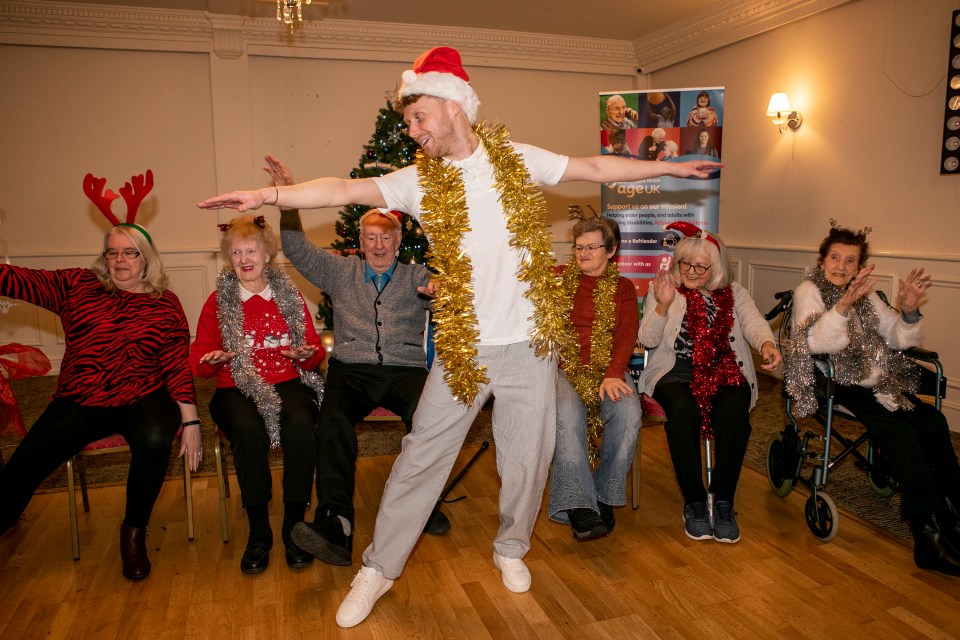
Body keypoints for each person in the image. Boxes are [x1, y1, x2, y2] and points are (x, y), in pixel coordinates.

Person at [198, 45, 721, 628]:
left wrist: (669, 167)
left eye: (419, 117)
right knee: (421, 458)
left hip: (529, 347)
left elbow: (595, 168)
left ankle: (510, 549)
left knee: (527, 462)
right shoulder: (418, 184)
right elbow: (343, 191)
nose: (414, 130)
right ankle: (377, 569)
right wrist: (269, 197)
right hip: (465, 349)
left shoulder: (517, 160)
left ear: (452, 105)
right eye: (408, 122)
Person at [0, 171, 202, 580]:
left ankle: (133, 532)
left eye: (130, 253)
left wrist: (191, 420)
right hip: (79, 398)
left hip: (144, 395)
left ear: (146, 257)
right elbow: (17, 279)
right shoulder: (77, 285)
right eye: (112, 253)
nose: (120, 261)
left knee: (153, 437)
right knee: (26, 463)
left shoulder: (165, 304)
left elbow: (176, 364)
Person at [256, 156, 450, 570]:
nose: (378, 247)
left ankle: (423, 503)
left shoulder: (419, 277)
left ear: (398, 243)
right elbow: (295, 248)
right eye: (370, 239)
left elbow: (458, 287)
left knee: (428, 415)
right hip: (352, 369)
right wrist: (287, 198)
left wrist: (444, 291)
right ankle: (335, 523)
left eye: (386, 239)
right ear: (360, 242)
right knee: (333, 421)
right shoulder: (340, 271)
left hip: (405, 370)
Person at [784, 220, 960, 575]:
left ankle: (952, 516)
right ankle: (928, 537)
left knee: (933, 421)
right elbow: (815, 344)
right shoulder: (808, 290)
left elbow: (895, 338)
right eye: (835, 258)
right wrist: (842, 308)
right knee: (902, 434)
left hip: (875, 377)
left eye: (851, 261)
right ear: (822, 260)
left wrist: (908, 310)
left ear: (860, 265)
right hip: (834, 380)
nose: (841, 267)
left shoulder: (866, 294)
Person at [190, 213, 325, 574]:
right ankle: (260, 531)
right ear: (229, 258)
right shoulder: (218, 302)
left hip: (288, 379)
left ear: (267, 255)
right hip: (234, 386)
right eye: (236, 253)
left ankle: (294, 526)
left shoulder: (288, 296)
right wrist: (211, 358)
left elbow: (313, 349)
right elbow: (198, 363)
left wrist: (307, 354)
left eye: (251, 250)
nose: (245, 259)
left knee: (300, 425)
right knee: (248, 433)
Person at [638, 222, 780, 544]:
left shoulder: (735, 293)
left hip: (724, 368)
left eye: (700, 266)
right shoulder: (664, 287)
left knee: (734, 412)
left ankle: (724, 500)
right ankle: (695, 502)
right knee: (682, 411)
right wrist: (661, 304)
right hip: (673, 371)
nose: (690, 270)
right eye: (685, 263)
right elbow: (646, 340)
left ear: (715, 268)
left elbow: (754, 322)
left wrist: (767, 345)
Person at [548, 215, 640, 540]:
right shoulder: (559, 278)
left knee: (629, 415)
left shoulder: (624, 288)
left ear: (611, 250)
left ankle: (603, 495)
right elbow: (517, 280)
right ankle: (579, 505)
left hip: (609, 369)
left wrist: (614, 373)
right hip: (564, 367)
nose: (583, 253)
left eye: (591, 247)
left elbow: (628, 333)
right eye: (578, 247)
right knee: (567, 416)